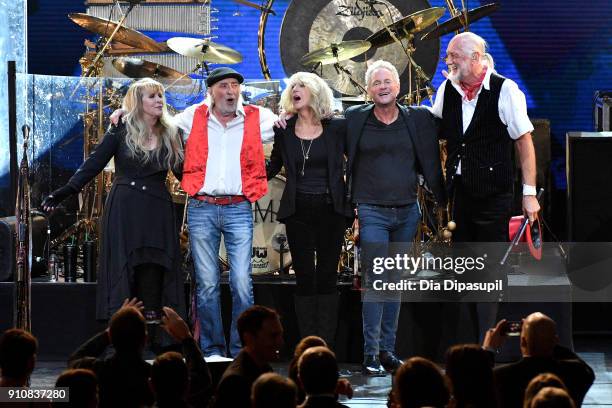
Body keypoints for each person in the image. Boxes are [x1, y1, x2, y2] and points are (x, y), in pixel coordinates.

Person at [43, 78, 185, 322]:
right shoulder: (120, 129)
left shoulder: (173, 133)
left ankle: (156, 330)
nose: (159, 100)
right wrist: (65, 191)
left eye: (160, 95)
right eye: (152, 96)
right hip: (125, 206)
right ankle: (123, 328)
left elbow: (185, 174)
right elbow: (94, 163)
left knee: (155, 263)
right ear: (137, 102)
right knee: (124, 263)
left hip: (157, 207)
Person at [429, 32, 540, 339]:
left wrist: (529, 194)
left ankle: (486, 342)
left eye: (455, 56)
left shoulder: (505, 90)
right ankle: (467, 340)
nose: (448, 61)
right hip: (460, 193)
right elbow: (434, 126)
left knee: (489, 270)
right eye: (448, 56)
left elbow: (524, 142)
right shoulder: (447, 90)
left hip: (493, 194)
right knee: (465, 267)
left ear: (476, 58)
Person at [344, 60, 446, 375]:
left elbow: (455, 123)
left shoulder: (419, 118)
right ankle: (371, 354)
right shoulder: (353, 119)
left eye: (388, 81)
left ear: (398, 86)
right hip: (372, 210)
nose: (383, 87)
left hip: (407, 212)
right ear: (368, 89)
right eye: (377, 83)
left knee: (394, 282)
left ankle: (388, 351)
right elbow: (318, 121)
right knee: (377, 281)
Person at [267, 72, 349, 347]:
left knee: (327, 274)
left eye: (301, 85)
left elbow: (355, 162)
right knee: (303, 275)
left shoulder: (337, 127)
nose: (295, 90)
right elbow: (274, 165)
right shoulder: (284, 129)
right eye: (292, 86)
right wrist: (243, 180)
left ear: (315, 91)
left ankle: (326, 344)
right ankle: (307, 344)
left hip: (331, 209)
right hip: (298, 209)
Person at [68, 298, 211, 408]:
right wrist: (186, 337)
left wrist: (108, 332)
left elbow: (74, 362)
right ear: (145, 339)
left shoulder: (98, 371)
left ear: (112, 335)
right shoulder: (154, 376)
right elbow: (201, 381)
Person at [484, 313, 594, 408]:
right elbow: (583, 367)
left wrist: (489, 348)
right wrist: (546, 338)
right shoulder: (579, 374)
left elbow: (478, 382)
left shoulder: (500, 377)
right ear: (555, 341)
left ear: (523, 342)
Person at [212, 305, 284, 408]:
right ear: (249, 338)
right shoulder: (235, 383)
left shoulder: (263, 367)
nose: (280, 342)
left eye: (280, 335)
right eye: (273, 336)